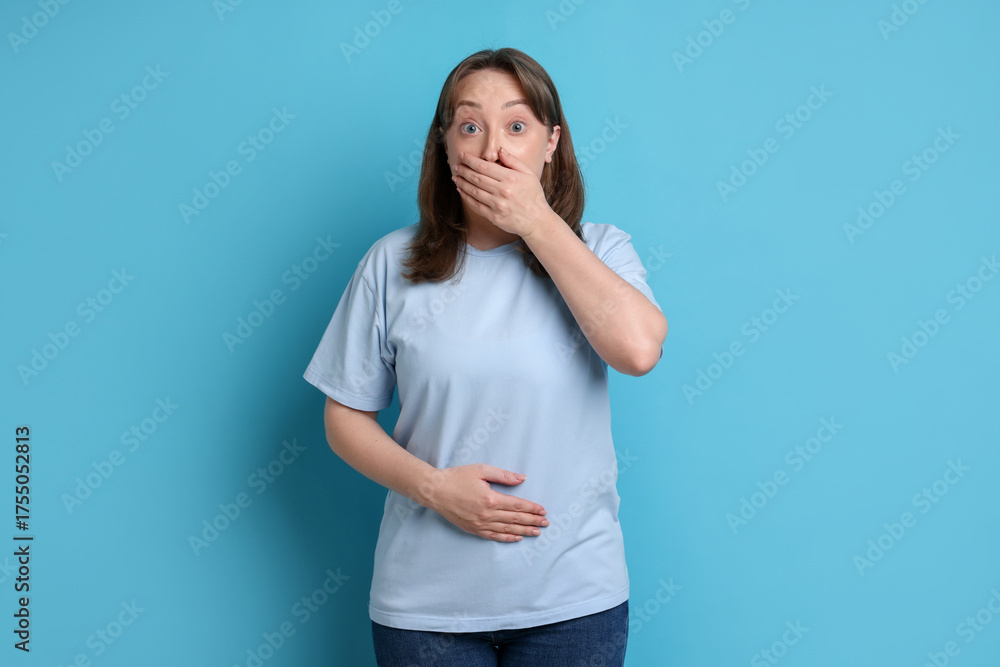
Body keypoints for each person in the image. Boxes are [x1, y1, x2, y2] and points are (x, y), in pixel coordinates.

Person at [303, 47, 667, 666]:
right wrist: (434, 488)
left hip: (573, 601)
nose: (494, 149)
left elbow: (637, 351)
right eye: (470, 126)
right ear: (445, 147)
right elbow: (344, 418)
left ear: (551, 143)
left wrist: (537, 222)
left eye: (517, 126)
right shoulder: (390, 263)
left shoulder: (602, 250)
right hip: (424, 608)